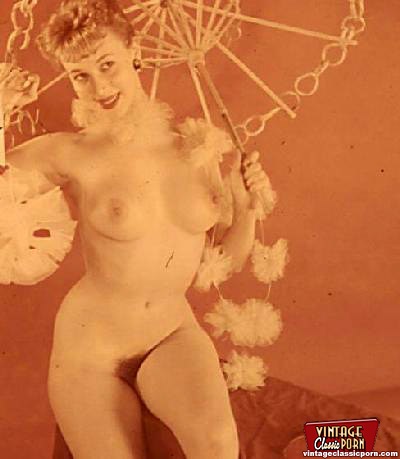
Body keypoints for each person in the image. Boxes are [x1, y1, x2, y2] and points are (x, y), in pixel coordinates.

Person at [0, 0, 270, 457]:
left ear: (135, 52)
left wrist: (245, 209)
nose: (100, 87)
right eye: (81, 75)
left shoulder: (197, 148)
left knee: (218, 444)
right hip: (91, 354)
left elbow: (225, 262)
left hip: (171, 334)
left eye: (107, 64)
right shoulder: (70, 152)